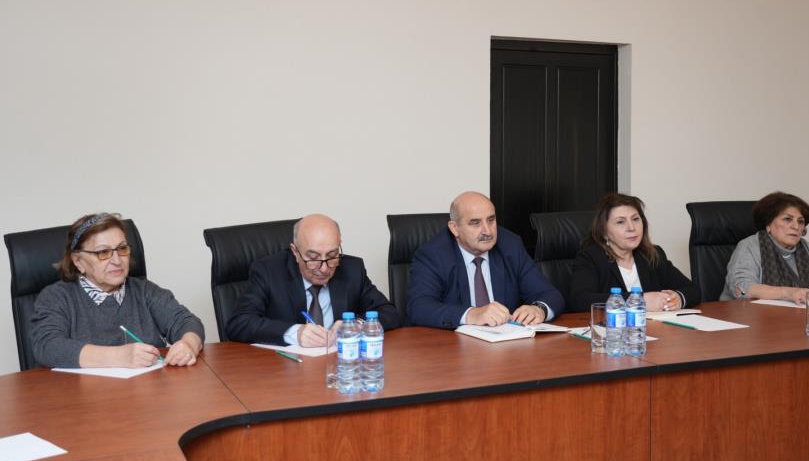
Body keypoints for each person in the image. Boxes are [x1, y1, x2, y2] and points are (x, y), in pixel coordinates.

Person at [31, 213, 205, 369]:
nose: (117, 260)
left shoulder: (144, 291)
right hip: (83, 393)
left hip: (146, 390)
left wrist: (188, 344)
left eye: (122, 249)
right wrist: (119, 356)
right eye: (103, 252)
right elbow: (47, 346)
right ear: (78, 261)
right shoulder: (57, 297)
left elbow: (186, 322)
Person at [226, 214, 401, 346]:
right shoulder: (268, 271)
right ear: (295, 252)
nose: (324, 268)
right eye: (313, 258)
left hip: (340, 366)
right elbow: (239, 323)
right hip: (285, 370)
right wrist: (295, 333)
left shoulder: (352, 269)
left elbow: (389, 312)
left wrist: (356, 325)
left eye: (332, 255)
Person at [407, 191, 565, 329]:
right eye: (475, 223)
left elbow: (550, 294)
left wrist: (539, 309)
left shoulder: (510, 245)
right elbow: (419, 307)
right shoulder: (434, 255)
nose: (488, 231)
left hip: (507, 343)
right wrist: (472, 314)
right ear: (455, 228)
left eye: (491, 220)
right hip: (455, 347)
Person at [721, 191, 809, 303]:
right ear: (768, 224)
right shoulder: (750, 247)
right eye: (787, 219)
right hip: (750, 320)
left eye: (800, 221)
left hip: (800, 319)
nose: (796, 226)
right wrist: (789, 293)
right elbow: (742, 288)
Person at [569, 193, 700, 312]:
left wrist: (678, 298)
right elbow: (580, 300)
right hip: (613, 328)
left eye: (635, 219)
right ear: (604, 231)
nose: (631, 228)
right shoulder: (590, 257)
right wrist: (639, 301)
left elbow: (693, 290)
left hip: (653, 327)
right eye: (620, 222)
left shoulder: (652, 254)